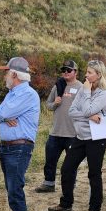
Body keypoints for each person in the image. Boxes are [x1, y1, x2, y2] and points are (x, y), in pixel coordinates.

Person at [0, 56, 41, 211]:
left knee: (15, 191)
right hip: (8, 148)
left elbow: (3, 112)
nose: (4, 76)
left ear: (14, 74)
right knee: (12, 191)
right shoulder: (12, 93)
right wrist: (2, 115)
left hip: (19, 148)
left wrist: (3, 114)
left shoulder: (27, 94)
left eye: (6, 72)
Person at [49, 60, 106, 211]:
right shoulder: (83, 91)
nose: (86, 75)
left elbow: (86, 109)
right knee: (66, 169)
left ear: (98, 75)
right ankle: (66, 204)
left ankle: (94, 210)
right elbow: (71, 111)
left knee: (94, 173)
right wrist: (90, 115)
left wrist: (87, 100)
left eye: (90, 73)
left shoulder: (105, 94)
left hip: (96, 138)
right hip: (80, 136)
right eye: (86, 72)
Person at [35, 60, 80, 193]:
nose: (65, 72)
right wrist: (55, 103)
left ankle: (70, 185)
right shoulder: (58, 86)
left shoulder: (81, 88)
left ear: (75, 72)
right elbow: (48, 105)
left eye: (69, 70)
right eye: (63, 70)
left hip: (73, 133)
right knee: (50, 160)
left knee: (71, 164)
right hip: (55, 132)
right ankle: (49, 184)